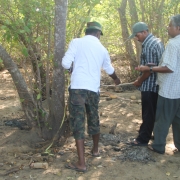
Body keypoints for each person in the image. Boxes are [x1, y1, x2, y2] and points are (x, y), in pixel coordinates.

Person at [62, 21, 120, 172]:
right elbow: (109, 69)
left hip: (77, 90)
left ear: (87, 31)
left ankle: (81, 163)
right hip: (93, 90)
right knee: (94, 118)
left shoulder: (76, 42)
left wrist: (72, 69)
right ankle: (95, 150)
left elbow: (65, 63)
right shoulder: (102, 49)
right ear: (98, 33)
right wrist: (116, 79)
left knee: (78, 123)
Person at [135, 14, 180, 154]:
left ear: (178, 28)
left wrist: (147, 70)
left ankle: (158, 146)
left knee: (161, 118)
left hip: (169, 89)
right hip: (177, 88)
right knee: (177, 120)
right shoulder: (163, 42)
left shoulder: (172, 43)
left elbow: (170, 68)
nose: (168, 28)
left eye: (170, 25)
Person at [129, 22, 164, 146]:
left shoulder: (148, 45)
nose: (136, 38)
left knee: (148, 113)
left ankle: (142, 139)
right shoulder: (157, 41)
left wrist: (139, 81)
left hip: (150, 85)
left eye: (137, 35)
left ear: (144, 32)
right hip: (157, 84)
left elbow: (149, 71)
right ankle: (151, 133)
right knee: (153, 112)